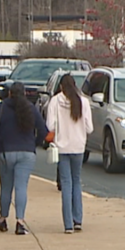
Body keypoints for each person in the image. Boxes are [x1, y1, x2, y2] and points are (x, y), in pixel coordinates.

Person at [0, 82, 49, 236]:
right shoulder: (31, 109)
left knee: (6, 188)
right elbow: (43, 131)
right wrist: (34, 143)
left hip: (6, 152)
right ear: (25, 93)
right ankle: (20, 222)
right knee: (21, 187)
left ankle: (3, 218)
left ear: (10, 94)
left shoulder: (0, 108)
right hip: (27, 152)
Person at [46, 74, 94, 234]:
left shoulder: (55, 101)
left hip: (62, 146)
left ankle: (67, 224)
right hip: (78, 146)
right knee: (76, 182)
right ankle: (77, 219)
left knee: (66, 184)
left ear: (61, 87)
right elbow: (89, 128)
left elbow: (50, 124)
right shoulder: (83, 102)